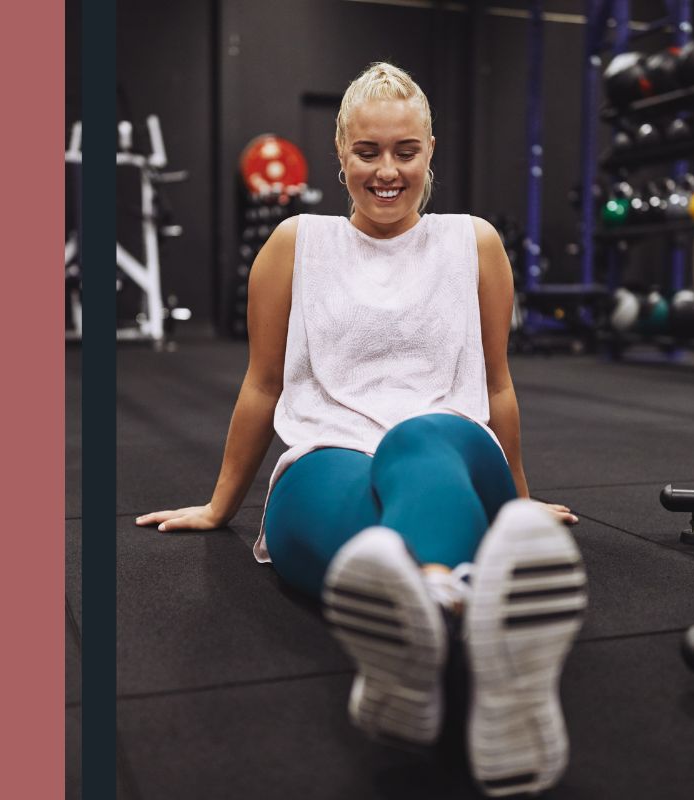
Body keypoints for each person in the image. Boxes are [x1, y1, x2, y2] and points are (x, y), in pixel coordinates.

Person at [136, 62, 588, 798]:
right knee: (360, 536)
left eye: (405, 152)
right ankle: (461, 622)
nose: (387, 171)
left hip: (449, 445)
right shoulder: (295, 243)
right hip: (327, 457)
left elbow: (498, 384)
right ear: (340, 150)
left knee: (418, 439)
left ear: (431, 150)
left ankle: (426, 621)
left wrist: (517, 501)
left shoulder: (472, 244)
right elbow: (262, 383)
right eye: (368, 152)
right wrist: (220, 506)